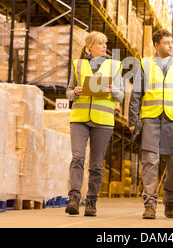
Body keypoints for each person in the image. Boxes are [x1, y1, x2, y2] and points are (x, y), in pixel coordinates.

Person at [128, 29, 173, 219]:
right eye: (166, 42)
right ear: (156, 45)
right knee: (150, 161)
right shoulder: (144, 64)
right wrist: (133, 121)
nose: (170, 45)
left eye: (171, 42)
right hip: (151, 120)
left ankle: (169, 198)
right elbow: (136, 95)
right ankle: (150, 204)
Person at [65, 31, 124, 217]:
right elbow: (68, 91)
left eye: (105, 43)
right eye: (100, 43)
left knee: (96, 165)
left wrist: (114, 90)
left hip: (103, 120)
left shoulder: (115, 66)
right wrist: (75, 92)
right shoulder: (78, 64)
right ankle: (74, 197)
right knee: (77, 158)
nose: (104, 46)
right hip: (80, 118)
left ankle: (91, 201)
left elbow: (121, 95)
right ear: (90, 46)